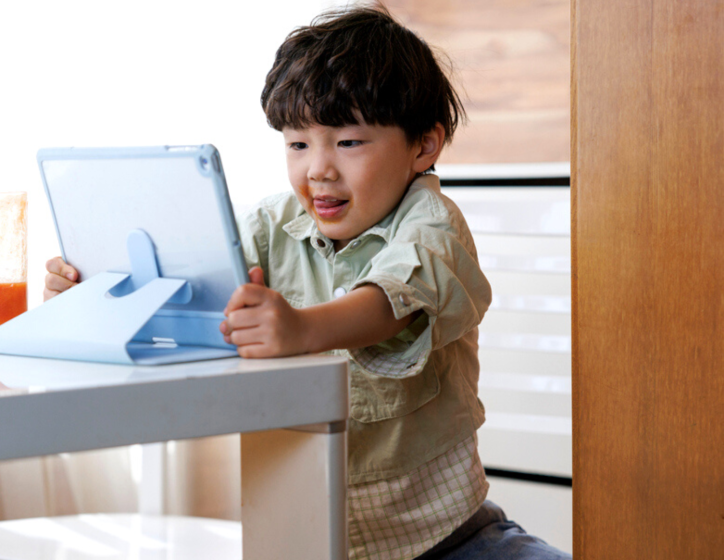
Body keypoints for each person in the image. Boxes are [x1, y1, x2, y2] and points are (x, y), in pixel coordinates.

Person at [45, 5, 570, 559]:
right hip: (307, 539)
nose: (318, 168)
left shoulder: (431, 223)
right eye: (298, 144)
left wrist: (299, 327)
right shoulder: (269, 227)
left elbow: (389, 304)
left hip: (445, 539)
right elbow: (190, 290)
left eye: (348, 143)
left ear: (423, 145)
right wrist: (100, 292)